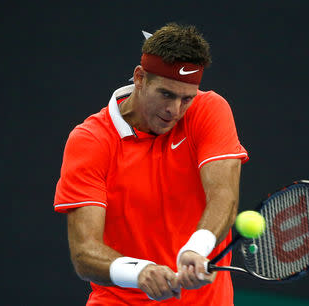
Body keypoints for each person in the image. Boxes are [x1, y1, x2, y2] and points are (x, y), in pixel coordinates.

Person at [53, 23, 249, 305]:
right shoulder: (91, 140)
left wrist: (196, 248)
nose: (175, 111)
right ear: (140, 77)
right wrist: (139, 271)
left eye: (186, 99)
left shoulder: (209, 110)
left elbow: (224, 197)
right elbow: (85, 253)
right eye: (166, 94)